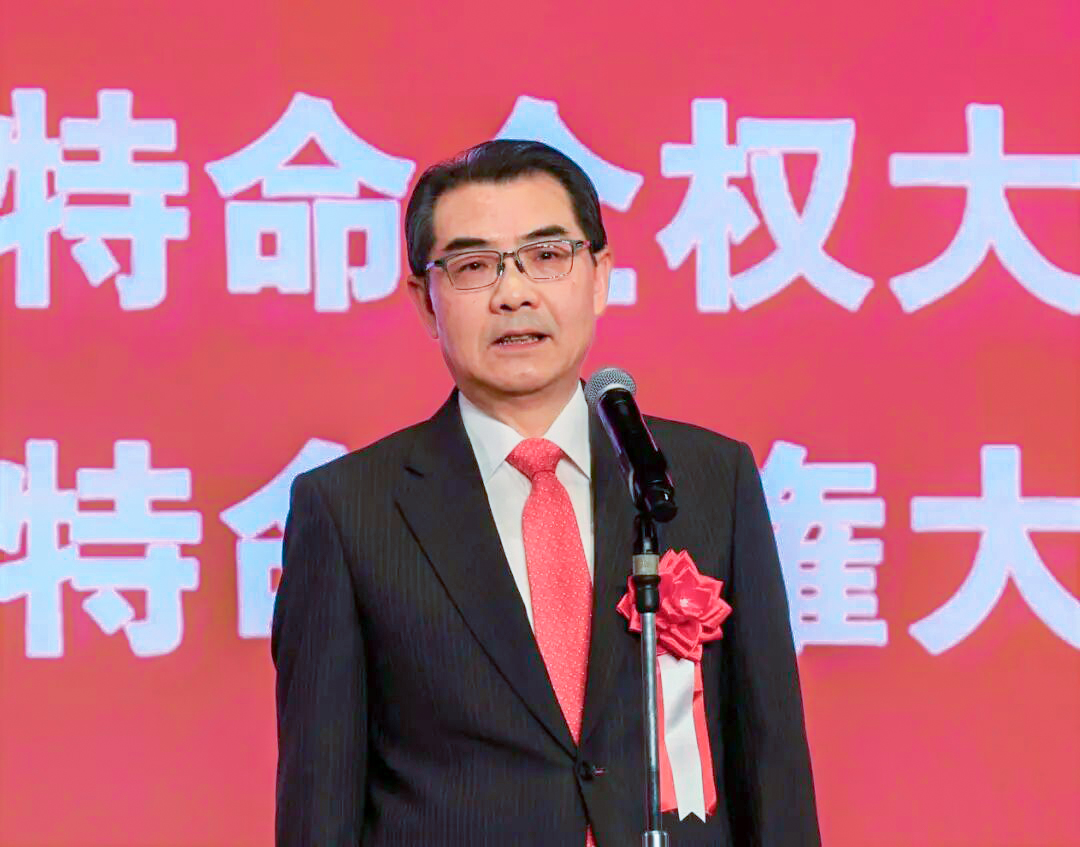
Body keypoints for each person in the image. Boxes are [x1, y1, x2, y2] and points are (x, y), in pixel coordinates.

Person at [271, 139, 820, 846]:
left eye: (547, 255)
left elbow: (771, 765)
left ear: (599, 276)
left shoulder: (708, 477)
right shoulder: (349, 511)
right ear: (426, 302)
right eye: (474, 266)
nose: (514, 293)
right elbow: (320, 801)